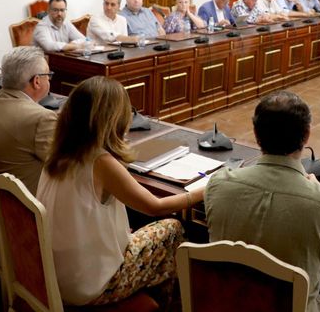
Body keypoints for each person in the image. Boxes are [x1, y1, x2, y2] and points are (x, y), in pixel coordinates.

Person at [204, 91, 320, 312]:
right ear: (306, 136)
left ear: (256, 135)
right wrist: (317, 193)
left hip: (227, 304)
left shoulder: (219, 184)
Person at [37, 76, 201, 307]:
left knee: (143, 232)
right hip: (88, 285)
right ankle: (168, 304)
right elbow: (154, 207)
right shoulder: (100, 161)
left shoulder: (59, 151)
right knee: (172, 229)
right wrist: (204, 190)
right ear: (115, 119)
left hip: (53, 273)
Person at [0, 46, 57, 194]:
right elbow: (62, 166)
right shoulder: (42, 118)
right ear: (37, 81)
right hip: (23, 207)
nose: (49, 79)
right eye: (48, 75)